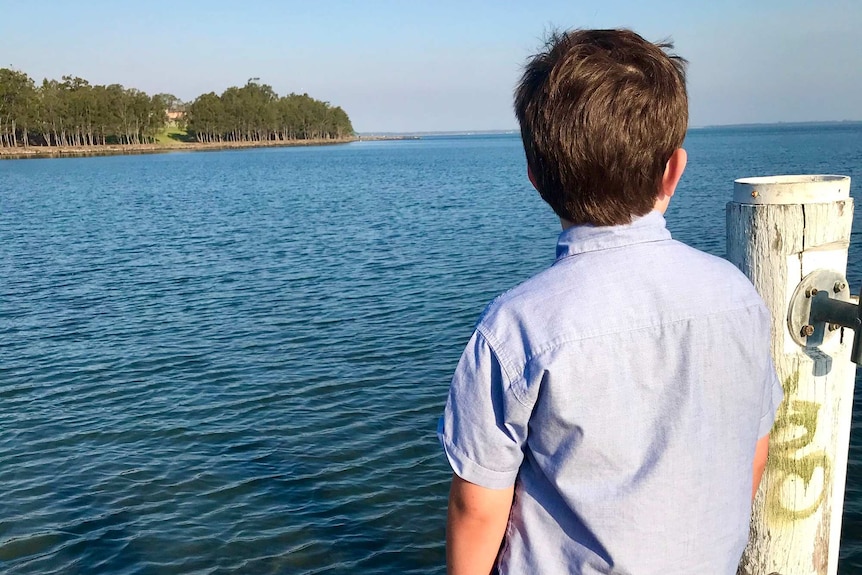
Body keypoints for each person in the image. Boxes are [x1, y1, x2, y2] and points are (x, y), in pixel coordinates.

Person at [437, 28, 783, 575]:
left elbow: (477, 508)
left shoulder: (516, 329)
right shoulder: (738, 297)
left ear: (536, 177)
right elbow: (753, 453)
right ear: (674, 169)